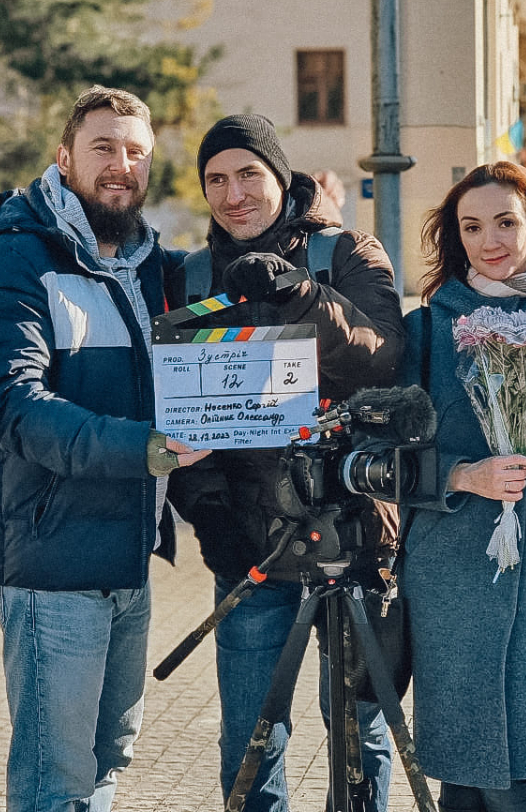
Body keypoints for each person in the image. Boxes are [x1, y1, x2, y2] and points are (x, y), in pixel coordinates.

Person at [0, 85, 209, 812]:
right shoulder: (14, 259)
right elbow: (10, 405)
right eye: (104, 148)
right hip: (48, 559)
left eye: (136, 153)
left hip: (126, 554)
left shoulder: (146, 265)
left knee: (106, 761)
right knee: (53, 782)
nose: (121, 165)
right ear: (64, 158)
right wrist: (151, 449)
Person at [165, 114, 405, 812]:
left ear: (279, 176)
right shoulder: (190, 275)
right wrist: (207, 512)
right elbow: (182, 406)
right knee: (250, 741)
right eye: (216, 179)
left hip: (350, 534)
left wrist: (305, 297)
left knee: (359, 734)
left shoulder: (345, 252)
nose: (233, 192)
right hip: (249, 543)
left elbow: (385, 355)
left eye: (248, 174)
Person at [401, 162, 526, 812]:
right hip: (451, 581)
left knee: (517, 780)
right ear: (455, 237)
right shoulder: (429, 328)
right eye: (473, 225)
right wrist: (464, 474)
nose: (492, 238)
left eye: (507, 221)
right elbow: (383, 458)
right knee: (461, 780)